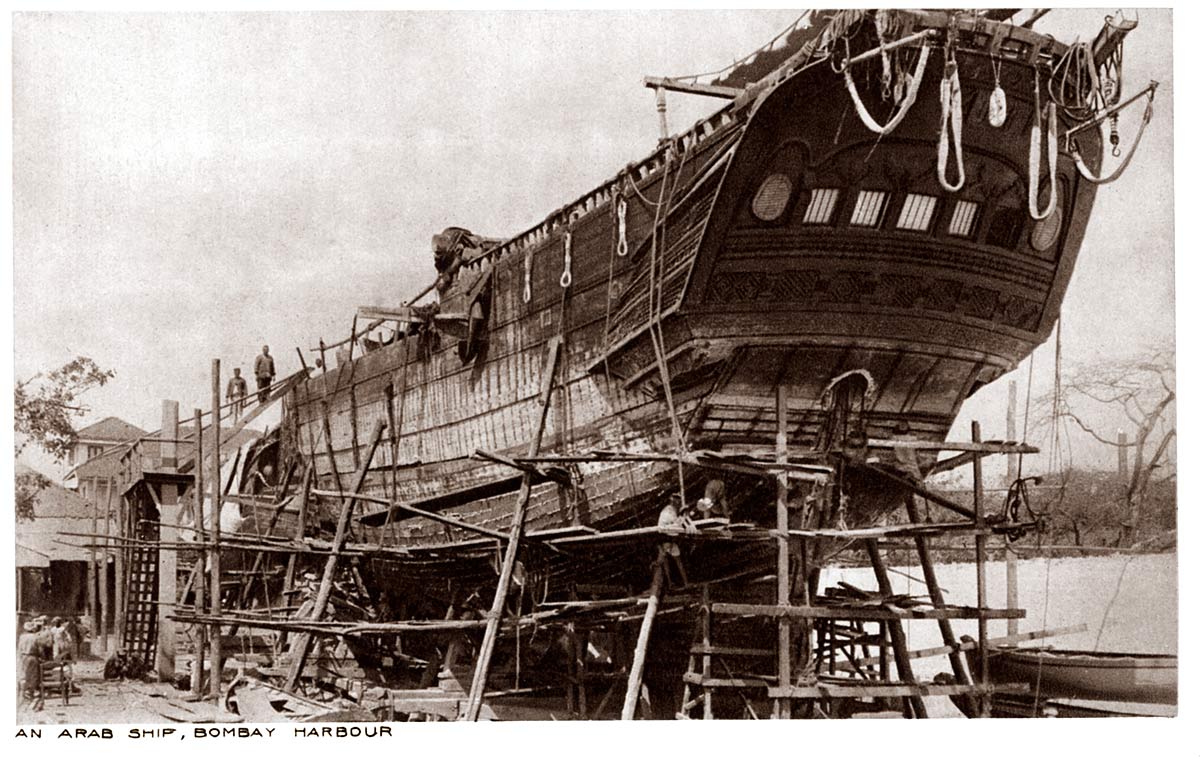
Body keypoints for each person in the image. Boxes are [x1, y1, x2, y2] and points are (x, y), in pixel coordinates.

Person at [18, 620, 43, 709]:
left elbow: (19, 648)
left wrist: (20, 657)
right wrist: (41, 656)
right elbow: (40, 649)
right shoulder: (35, 637)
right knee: (34, 675)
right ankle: (32, 691)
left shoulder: (22, 637)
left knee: (25, 674)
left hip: (24, 656)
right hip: (33, 657)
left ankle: (25, 692)